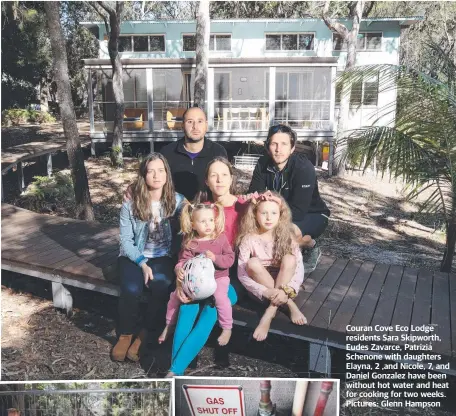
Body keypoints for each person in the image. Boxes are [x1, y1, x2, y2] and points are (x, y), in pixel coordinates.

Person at [165, 158, 245, 377]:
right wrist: (181, 277)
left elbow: (272, 214)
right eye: (213, 175)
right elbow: (187, 249)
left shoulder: (244, 206)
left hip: (230, 275)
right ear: (207, 181)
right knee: (187, 306)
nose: (219, 180)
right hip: (199, 273)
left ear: (231, 178)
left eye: (224, 175)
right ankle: (178, 367)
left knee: (211, 308)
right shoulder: (202, 210)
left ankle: (176, 368)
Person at [113, 153, 185, 362]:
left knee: (161, 285)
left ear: (167, 174)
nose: (156, 175)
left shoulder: (177, 201)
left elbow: (195, 218)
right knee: (131, 289)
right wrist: (141, 263)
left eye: (161, 170)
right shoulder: (131, 203)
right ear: (143, 175)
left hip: (162, 256)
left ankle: (144, 334)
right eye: (151, 171)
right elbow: (125, 241)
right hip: (134, 255)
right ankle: (126, 334)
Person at [248, 124, 330, 272]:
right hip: (277, 212)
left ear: (292, 148)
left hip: (312, 213)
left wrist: (273, 206)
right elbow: (253, 195)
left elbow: (298, 212)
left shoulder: (303, 167)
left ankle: (310, 246)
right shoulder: (262, 163)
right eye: (274, 144)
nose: (278, 149)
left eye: (284, 144)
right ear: (268, 146)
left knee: (288, 232)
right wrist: (258, 199)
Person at [159, 202, 235, 349]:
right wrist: (178, 269)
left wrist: (215, 258)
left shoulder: (220, 239)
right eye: (202, 221)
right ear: (193, 225)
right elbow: (183, 260)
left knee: (220, 297)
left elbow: (230, 259)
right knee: (175, 296)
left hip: (218, 277)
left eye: (211, 220)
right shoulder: (190, 242)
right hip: (195, 280)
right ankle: (169, 325)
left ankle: (227, 328)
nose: (208, 224)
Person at [237, 191, 306, 342]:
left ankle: (270, 312)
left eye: (273, 213)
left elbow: (299, 268)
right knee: (252, 263)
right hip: (262, 287)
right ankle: (290, 304)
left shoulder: (287, 237)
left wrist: (291, 288)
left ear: (280, 215)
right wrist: (264, 291)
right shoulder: (249, 239)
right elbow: (241, 274)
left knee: (289, 259)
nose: (269, 218)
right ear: (255, 214)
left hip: (284, 282)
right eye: (264, 213)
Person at [159, 106, 228, 201]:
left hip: (208, 210)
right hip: (175, 210)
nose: (195, 126)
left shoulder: (218, 151)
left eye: (200, 121)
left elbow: (225, 185)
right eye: (190, 122)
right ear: (182, 125)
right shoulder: (167, 152)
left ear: (206, 125)